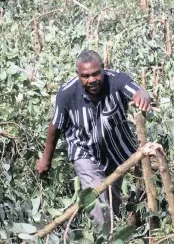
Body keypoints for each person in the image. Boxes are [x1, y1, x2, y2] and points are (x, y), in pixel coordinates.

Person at [36, 49, 152, 229]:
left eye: (96, 74)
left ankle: (124, 232)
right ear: (78, 75)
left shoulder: (117, 80)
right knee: (97, 203)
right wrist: (46, 160)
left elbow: (139, 91)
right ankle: (104, 238)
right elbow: (55, 127)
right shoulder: (66, 94)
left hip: (118, 153)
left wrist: (142, 97)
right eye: (85, 76)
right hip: (85, 152)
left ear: (103, 70)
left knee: (115, 202)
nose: (91, 80)